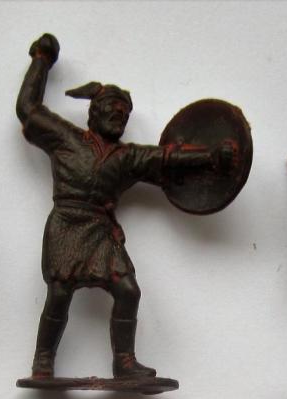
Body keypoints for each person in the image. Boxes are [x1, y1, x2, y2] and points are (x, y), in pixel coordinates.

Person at [17, 33, 234, 379]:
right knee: (59, 293)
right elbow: (28, 109)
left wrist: (211, 157)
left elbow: (166, 158)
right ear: (94, 111)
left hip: (100, 230)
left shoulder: (127, 156)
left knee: (128, 291)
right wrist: (41, 60)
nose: (119, 116)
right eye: (112, 109)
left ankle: (124, 361)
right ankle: (43, 360)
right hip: (67, 223)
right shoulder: (65, 138)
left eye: (125, 113)